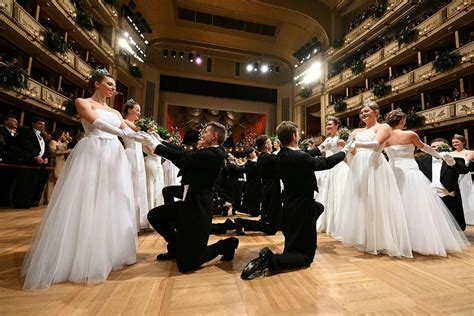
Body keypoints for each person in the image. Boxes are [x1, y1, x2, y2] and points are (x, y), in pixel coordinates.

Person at [22, 69, 141, 290]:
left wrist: (148, 137)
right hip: (94, 150)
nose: (113, 88)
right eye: (109, 83)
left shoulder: (115, 111)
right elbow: (96, 124)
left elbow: (130, 129)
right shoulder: (82, 102)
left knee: (114, 198)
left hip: (114, 154)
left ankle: (111, 251)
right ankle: (80, 256)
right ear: (96, 84)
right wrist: (125, 134)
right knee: (88, 199)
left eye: (114, 85)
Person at [241, 121, 351, 280]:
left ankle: (288, 252)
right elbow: (325, 163)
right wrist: (344, 151)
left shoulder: (280, 156)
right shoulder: (299, 157)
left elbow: (302, 157)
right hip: (303, 205)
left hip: (289, 203)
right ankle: (271, 259)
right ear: (294, 136)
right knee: (306, 257)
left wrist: (320, 148)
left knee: (317, 209)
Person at [137, 122, 239, 273]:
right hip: (188, 202)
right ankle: (176, 247)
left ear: (214, 136)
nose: (202, 135)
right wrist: (161, 141)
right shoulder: (207, 152)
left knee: (188, 265)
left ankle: (226, 245)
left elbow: (183, 157)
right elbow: (182, 153)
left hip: (199, 208)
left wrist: (156, 146)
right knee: (155, 216)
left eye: (205, 132)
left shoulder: (215, 154)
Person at [334, 101, 413, 258]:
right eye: (361, 112)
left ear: (376, 112)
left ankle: (379, 239)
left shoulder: (383, 127)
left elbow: (375, 144)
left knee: (376, 200)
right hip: (359, 165)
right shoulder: (356, 131)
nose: (363, 114)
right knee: (360, 200)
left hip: (375, 164)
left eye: (366, 111)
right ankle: (363, 236)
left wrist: (354, 144)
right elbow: (353, 151)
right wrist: (346, 150)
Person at [384, 110, 468, 256]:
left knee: (394, 206)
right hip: (410, 172)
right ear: (402, 120)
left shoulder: (384, 137)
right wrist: (438, 156)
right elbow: (425, 147)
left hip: (392, 172)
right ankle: (417, 240)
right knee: (417, 207)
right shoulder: (410, 134)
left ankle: (396, 240)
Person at [417, 138, 469, 230]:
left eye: (438, 146)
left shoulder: (457, 159)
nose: (436, 148)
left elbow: (464, 170)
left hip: (448, 196)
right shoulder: (421, 160)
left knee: (453, 226)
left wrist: (451, 162)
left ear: (446, 147)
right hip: (430, 196)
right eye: (433, 146)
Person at [234, 135, 281, 235]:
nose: (272, 144)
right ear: (266, 145)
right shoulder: (267, 157)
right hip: (271, 190)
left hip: (268, 189)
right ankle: (241, 222)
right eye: (270, 142)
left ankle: (242, 223)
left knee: (271, 221)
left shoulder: (263, 157)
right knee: (271, 228)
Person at [315, 116, 350, 236]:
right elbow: (320, 149)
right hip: (327, 169)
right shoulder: (327, 139)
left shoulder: (340, 139)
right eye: (327, 125)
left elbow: (345, 155)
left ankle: (339, 223)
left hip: (338, 168)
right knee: (326, 193)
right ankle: (326, 221)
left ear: (337, 125)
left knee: (338, 192)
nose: (328, 127)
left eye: (330, 124)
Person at [123, 99, 149, 231]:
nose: (139, 113)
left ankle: (139, 220)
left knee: (140, 186)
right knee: (131, 184)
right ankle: (128, 220)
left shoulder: (137, 125)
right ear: (129, 110)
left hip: (139, 155)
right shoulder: (124, 122)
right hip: (130, 155)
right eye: (137, 110)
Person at [12, 117, 50, 208]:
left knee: (33, 183)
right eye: (40, 124)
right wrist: (36, 155)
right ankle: (20, 203)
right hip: (27, 162)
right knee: (24, 183)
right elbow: (25, 143)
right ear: (33, 124)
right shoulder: (26, 131)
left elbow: (45, 148)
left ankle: (29, 201)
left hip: (38, 164)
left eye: (43, 124)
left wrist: (46, 157)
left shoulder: (42, 136)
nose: (42, 126)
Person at [450, 135, 474, 225]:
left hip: (464, 176)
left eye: (457, 142)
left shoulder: (470, 152)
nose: (454, 144)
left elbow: (465, 163)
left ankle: (468, 218)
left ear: (463, 142)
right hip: (453, 176)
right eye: (453, 143)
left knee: (465, 196)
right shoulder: (450, 153)